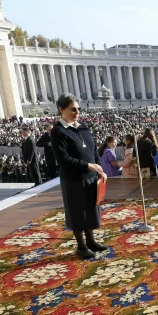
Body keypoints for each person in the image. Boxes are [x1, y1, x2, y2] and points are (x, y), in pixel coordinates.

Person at [50, 93, 107, 259]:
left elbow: (93, 150)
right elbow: (63, 158)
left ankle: (91, 241)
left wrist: (99, 168)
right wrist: (87, 165)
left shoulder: (83, 128)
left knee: (89, 209)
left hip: (90, 177)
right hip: (73, 178)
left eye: (78, 109)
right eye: (72, 109)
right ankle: (81, 246)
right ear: (61, 110)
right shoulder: (58, 131)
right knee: (77, 212)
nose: (77, 113)